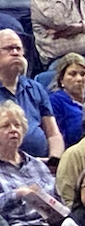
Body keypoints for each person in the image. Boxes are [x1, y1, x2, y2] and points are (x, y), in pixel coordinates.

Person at [0, 102, 65, 226]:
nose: (13, 130)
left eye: (17, 125)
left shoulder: (37, 165)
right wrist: (17, 194)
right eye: (6, 126)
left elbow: (57, 198)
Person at [0, 30, 57, 164]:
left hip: (41, 165)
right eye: (8, 48)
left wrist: (54, 160)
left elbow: (53, 133)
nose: (15, 53)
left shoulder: (36, 88)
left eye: (18, 48)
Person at [46, 58, 85, 169]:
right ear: (61, 80)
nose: (79, 79)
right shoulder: (55, 101)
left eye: (83, 74)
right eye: (72, 74)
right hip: (74, 158)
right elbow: (63, 134)